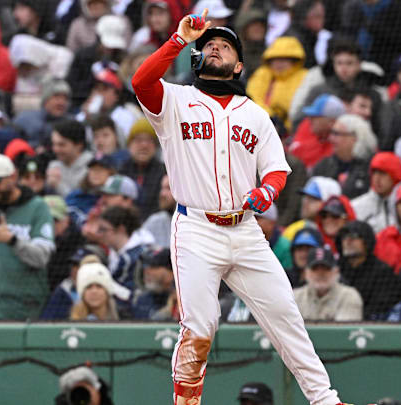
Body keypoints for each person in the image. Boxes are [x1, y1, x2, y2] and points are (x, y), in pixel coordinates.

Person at [131, 13, 352, 405]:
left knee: (286, 316)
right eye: (209, 45)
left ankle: (326, 401)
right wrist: (180, 40)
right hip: (196, 228)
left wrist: (266, 192)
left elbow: (277, 170)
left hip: (246, 231)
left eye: (225, 45)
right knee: (200, 327)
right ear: (198, 57)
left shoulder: (255, 114)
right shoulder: (176, 101)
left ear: (239, 65)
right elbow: (141, 81)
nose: (215, 46)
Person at [0, 154, 56, 320]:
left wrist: (13, 241)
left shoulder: (38, 208)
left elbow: (41, 258)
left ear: (12, 177)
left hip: (27, 304)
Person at [336, 220, 401, 320]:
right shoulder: (335, 270)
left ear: (366, 241)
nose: (348, 241)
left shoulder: (383, 273)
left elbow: (383, 310)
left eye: (354, 236)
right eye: (344, 237)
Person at [246, 36, 307, 132]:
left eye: (284, 59)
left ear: (294, 60)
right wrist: (271, 117)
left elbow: (302, 106)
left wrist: (286, 127)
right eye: (275, 59)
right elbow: (253, 98)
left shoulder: (304, 76)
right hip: (263, 125)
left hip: (294, 130)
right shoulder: (263, 73)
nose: (279, 63)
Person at [98, 205, 149, 317]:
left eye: (104, 230)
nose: (100, 234)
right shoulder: (114, 254)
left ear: (121, 229)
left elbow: (128, 293)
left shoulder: (133, 257)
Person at [311, 114, 376, 199]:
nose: (330, 138)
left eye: (336, 134)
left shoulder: (371, 168)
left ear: (354, 138)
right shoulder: (324, 165)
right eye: (332, 133)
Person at [293, 246, 363, 321]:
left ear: (336, 271)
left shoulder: (349, 296)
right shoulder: (295, 297)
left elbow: (342, 331)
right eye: (315, 269)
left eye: (326, 268)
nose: (320, 273)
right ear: (306, 273)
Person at [119, 118, 166, 220]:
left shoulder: (164, 172)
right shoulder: (121, 170)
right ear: (129, 145)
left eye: (149, 140)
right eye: (138, 140)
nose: (144, 145)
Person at [288, 93, 346, 170]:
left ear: (331, 122)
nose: (310, 119)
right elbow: (294, 152)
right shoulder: (308, 125)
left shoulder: (342, 144)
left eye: (315, 116)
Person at [351, 152, 401, 234]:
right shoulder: (356, 206)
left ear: (395, 176)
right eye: (374, 173)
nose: (377, 178)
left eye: (383, 173)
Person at [13, 78, 73, 148]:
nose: (61, 102)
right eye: (57, 97)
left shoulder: (72, 124)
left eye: (65, 99)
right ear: (46, 100)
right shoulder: (25, 119)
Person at [45, 196, 85, 292]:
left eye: (55, 220)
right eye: (45, 219)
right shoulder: (29, 239)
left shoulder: (79, 242)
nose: (50, 224)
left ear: (66, 220)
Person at [48, 120, 94, 197]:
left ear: (79, 145)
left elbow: (81, 202)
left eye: (61, 145)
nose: (55, 149)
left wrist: (58, 185)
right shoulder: (54, 166)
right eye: (54, 144)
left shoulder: (93, 168)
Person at [132, 248, 175, 320]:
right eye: (145, 266)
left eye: (153, 266)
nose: (147, 271)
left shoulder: (184, 299)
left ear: (170, 271)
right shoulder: (142, 300)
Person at [141, 174, 175, 248]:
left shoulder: (193, 221)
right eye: (162, 188)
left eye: (169, 188)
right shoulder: (155, 221)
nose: (162, 194)